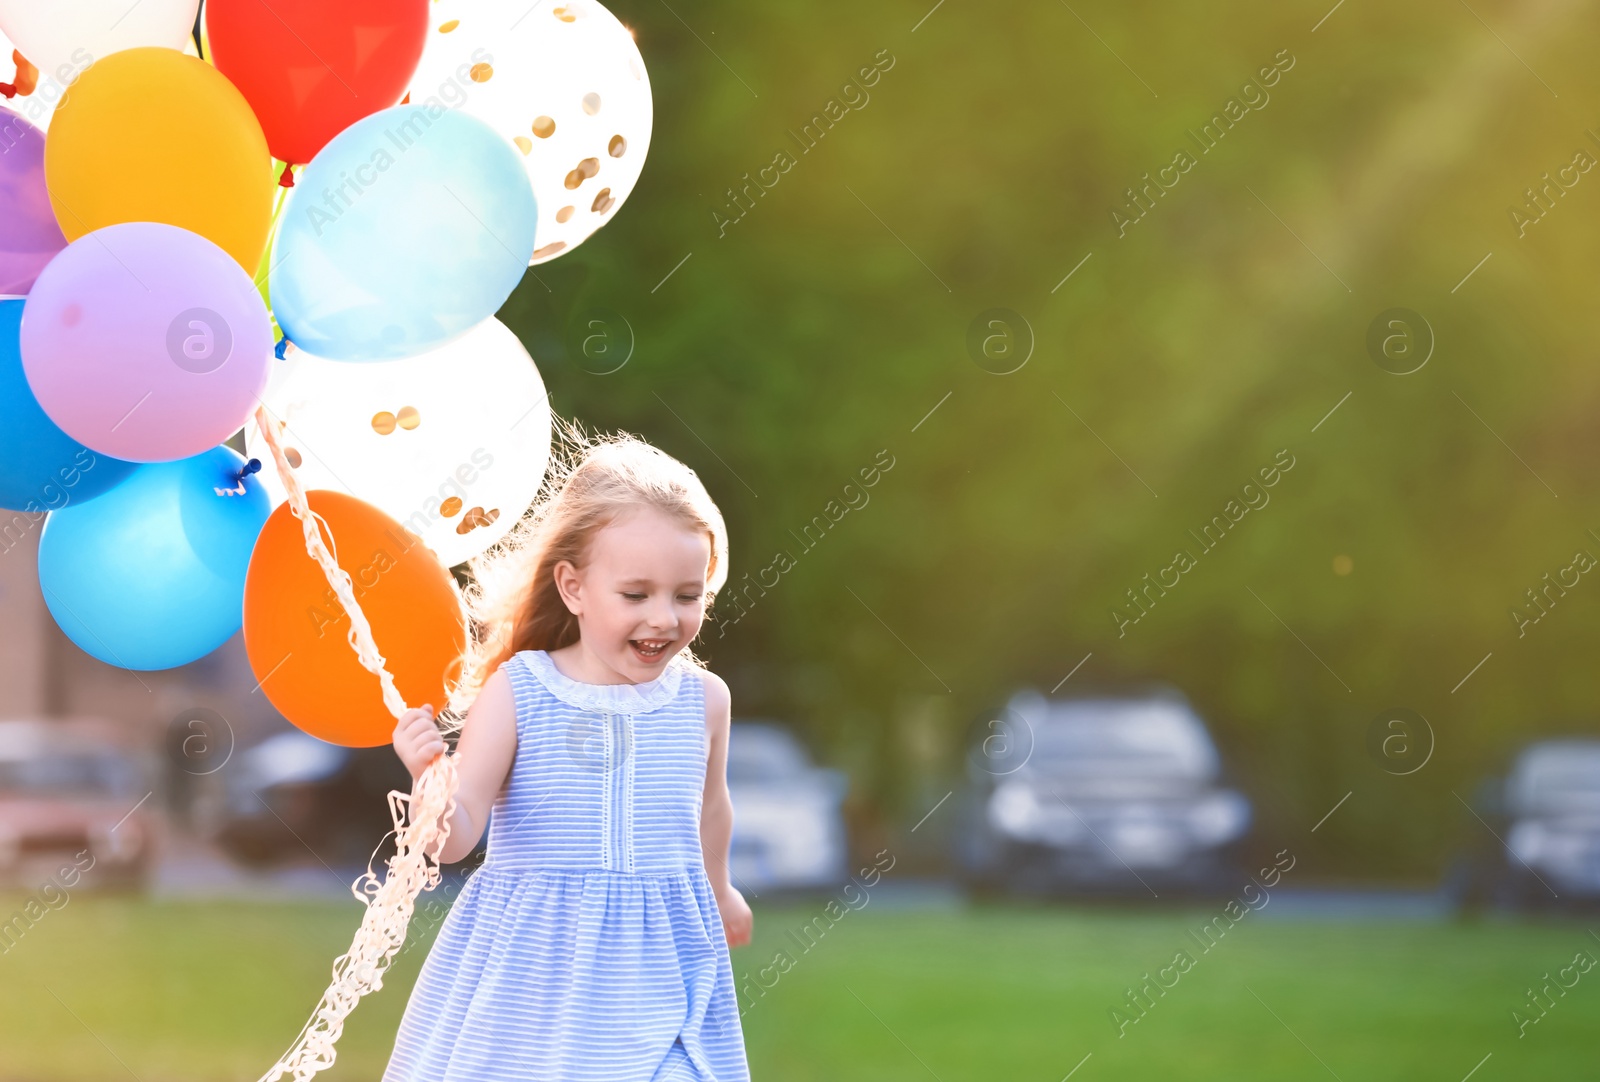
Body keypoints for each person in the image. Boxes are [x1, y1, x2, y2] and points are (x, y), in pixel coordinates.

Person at [383, 432, 752, 1082]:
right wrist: (430, 783)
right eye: (636, 595)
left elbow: (710, 811)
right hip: (530, 974)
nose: (664, 618)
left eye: (687, 596)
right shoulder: (522, 690)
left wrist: (720, 891)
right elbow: (457, 835)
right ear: (574, 587)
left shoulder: (704, 701)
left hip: (661, 965)